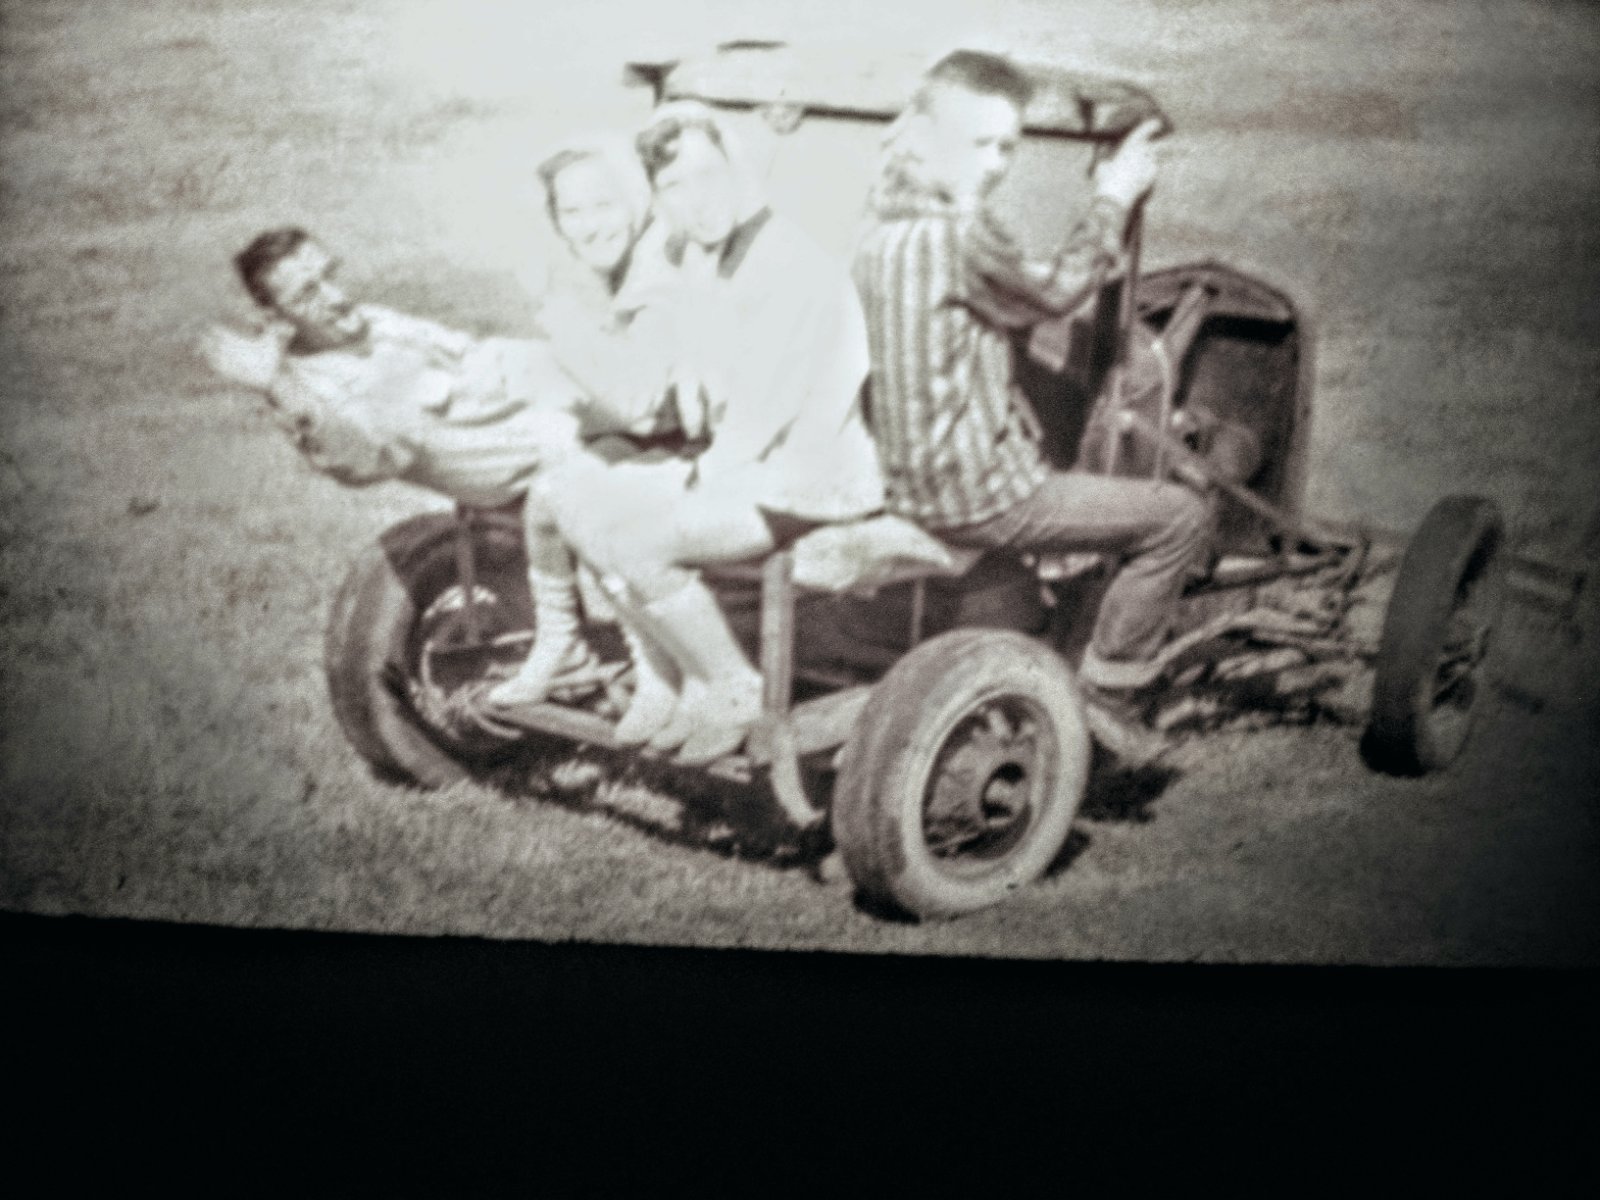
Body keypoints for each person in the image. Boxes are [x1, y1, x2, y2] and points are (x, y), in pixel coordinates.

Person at [851, 50, 1213, 737]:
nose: (994, 164)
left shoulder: (881, 230)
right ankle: (1110, 692)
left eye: (1005, 147)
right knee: (1180, 517)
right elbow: (1061, 291)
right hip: (980, 496)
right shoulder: (961, 235)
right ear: (925, 138)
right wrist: (1115, 195)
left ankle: (1038, 622)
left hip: (906, 483)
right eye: (978, 144)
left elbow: (976, 307)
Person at [534, 101, 885, 764]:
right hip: (743, 464)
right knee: (580, 507)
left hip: (809, 477)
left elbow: (765, 414)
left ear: (736, 169)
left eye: (708, 176)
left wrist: (686, 482)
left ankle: (733, 682)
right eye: (673, 187)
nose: (696, 200)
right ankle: (678, 677)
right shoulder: (698, 255)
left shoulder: (791, 264)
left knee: (634, 539)